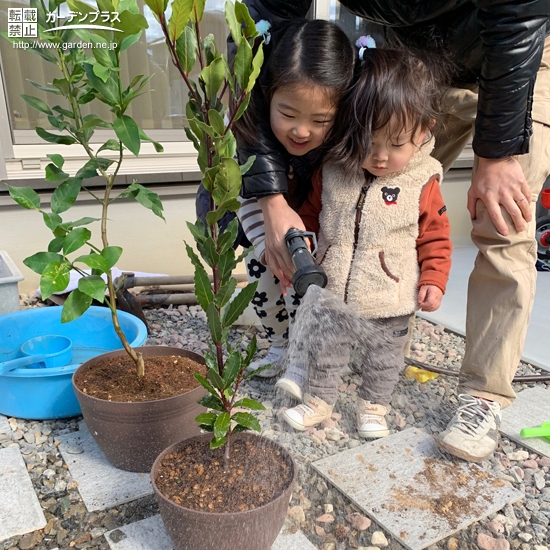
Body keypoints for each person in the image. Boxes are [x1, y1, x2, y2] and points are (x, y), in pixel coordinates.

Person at [237, 0, 550, 462]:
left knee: (504, 218)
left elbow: (518, 12)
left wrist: (499, 152)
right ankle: (359, 335)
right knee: (376, 196)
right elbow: (260, 59)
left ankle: (482, 395)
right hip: (406, 61)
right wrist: (272, 198)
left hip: (515, 55)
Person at [278, 47, 452, 439]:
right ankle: (320, 400)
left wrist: (434, 279)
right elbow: (310, 213)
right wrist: (302, 252)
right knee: (327, 349)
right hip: (335, 286)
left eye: (396, 144)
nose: (379, 155)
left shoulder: (421, 181)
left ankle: (373, 405)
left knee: (385, 357)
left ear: (424, 130)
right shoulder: (335, 170)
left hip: (391, 293)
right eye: (368, 141)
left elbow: (436, 237)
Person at [229, 18, 355, 376]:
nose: (301, 131)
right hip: (267, 238)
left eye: (320, 120)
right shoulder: (251, 142)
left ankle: (309, 355)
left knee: (310, 296)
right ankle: (280, 346)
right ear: (267, 96)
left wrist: (304, 250)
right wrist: (275, 250)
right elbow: (248, 203)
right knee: (264, 287)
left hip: (315, 242)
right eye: (287, 114)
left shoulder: (340, 151)